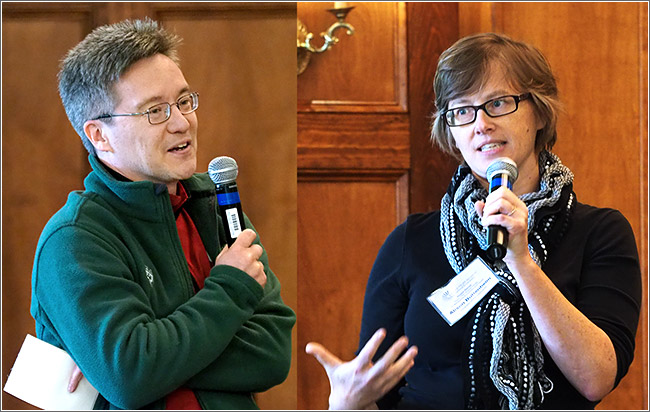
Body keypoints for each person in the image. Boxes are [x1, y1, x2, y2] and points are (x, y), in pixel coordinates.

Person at [306, 32, 641, 409]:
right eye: (462, 111)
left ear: (540, 111)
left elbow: (596, 379)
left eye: (497, 103)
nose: (480, 124)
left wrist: (521, 260)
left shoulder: (601, 233)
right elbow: (375, 389)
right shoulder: (410, 242)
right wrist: (345, 403)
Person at [30, 18, 295, 410]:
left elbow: (273, 352)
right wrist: (229, 290)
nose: (181, 122)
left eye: (184, 101)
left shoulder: (215, 204)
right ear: (99, 135)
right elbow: (130, 375)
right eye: (155, 111)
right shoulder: (75, 238)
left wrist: (145, 355)